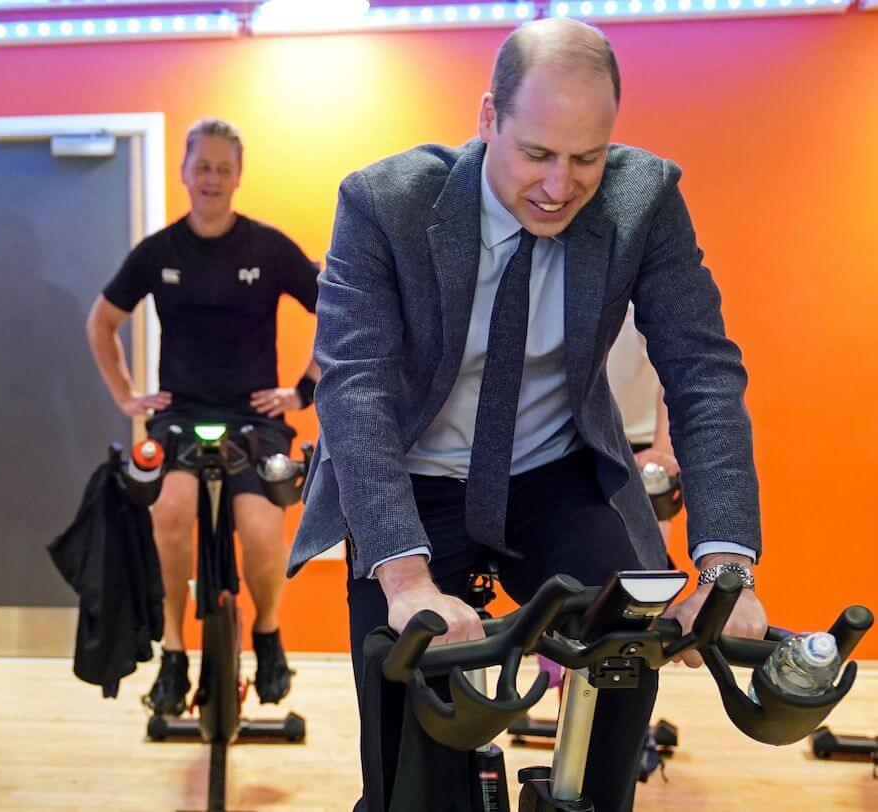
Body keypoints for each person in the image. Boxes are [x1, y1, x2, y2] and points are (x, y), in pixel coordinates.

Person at [289, 19, 767, 810]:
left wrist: (726, 570)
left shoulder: (644, 199)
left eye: (587, 157)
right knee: (409, 764)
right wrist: (405, 578)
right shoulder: (384, 203)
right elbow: (355, 388)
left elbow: (703, 372)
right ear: (487, 120)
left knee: (627, 648)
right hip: (412, 487)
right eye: (538, 154)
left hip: (555, 477)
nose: (560, 185)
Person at [86, 118, 320, 714]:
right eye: (203, 166)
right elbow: (102, 324)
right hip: (180, 411)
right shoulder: (159, 251)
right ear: (184, 172)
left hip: (254, 414)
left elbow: (341, 310)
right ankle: (172, 650)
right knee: (169, 510)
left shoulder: (267, 248)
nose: (212, 178)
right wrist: (125, 396)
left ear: (237, 176)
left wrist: (303, 392)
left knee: (262, 526)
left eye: (223, 168)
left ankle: (266, 633)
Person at [606, 302, 677, 541]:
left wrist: (663, 448)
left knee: (648, 540)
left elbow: (675, 370)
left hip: (641, 442)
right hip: (576, 436)